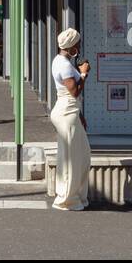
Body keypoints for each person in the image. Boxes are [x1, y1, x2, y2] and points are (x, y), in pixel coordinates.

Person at [50, 28, 91, 211]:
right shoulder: (64, 65)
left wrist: (80, 115)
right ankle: (67, 199)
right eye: (78, 44)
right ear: (71, 46)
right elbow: (73, 92)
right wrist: (83, 73)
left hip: (70, 112)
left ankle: (74, 195)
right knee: (71, 159)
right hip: (66, 113)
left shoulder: (60, 61)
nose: (79, 47)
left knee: (81, 155)